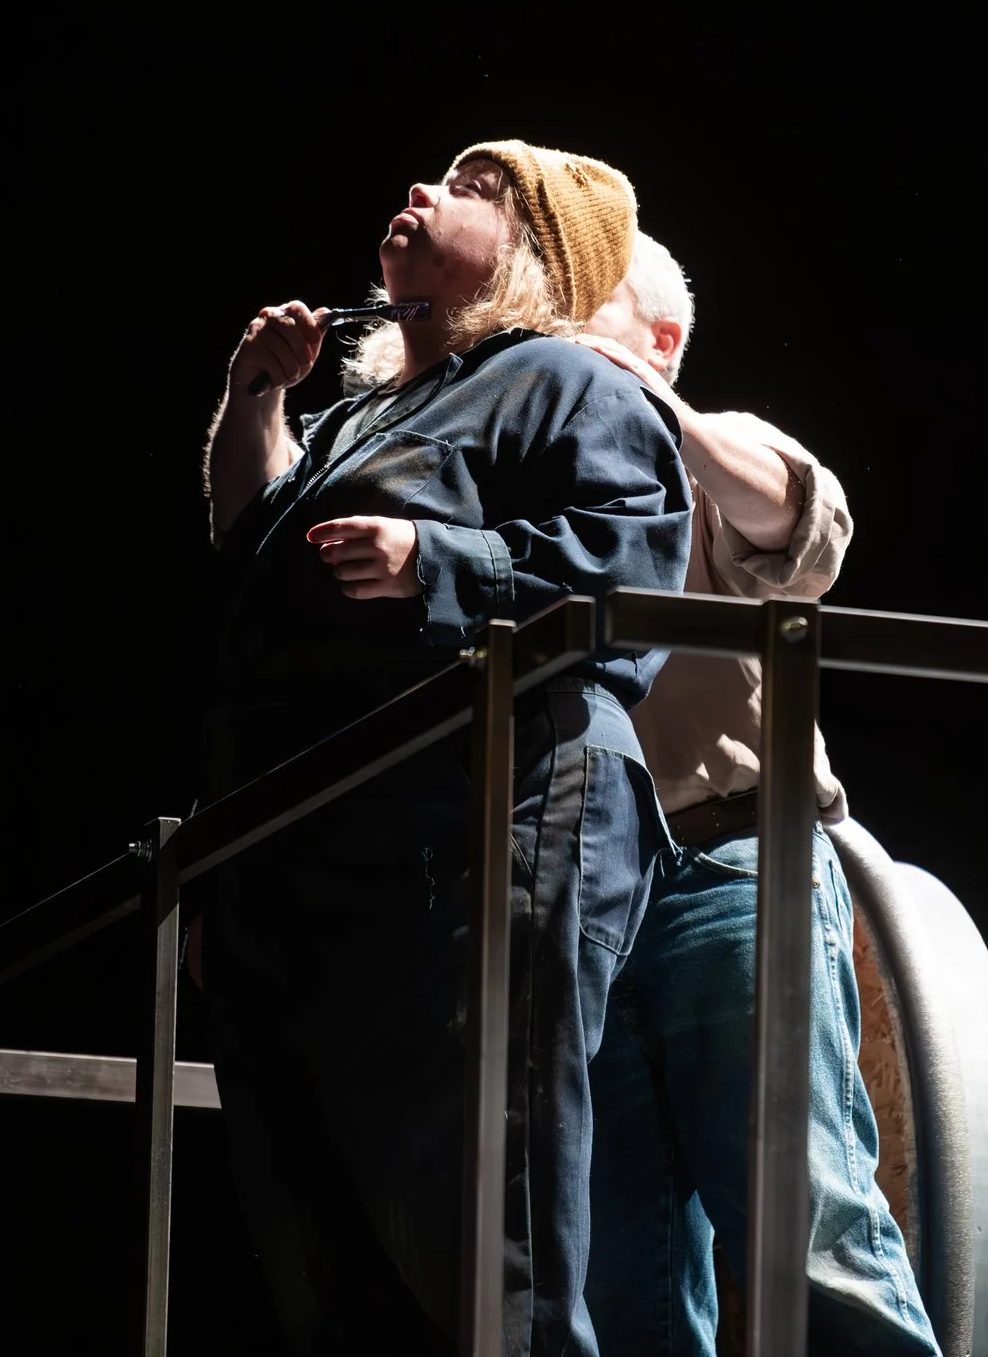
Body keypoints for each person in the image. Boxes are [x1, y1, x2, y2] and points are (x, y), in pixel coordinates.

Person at [194, 141, 692, 1355]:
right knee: (324, 1255)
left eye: (474, 189)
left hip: (480, 824)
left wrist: (441, 562)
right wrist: (254, 397)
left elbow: (634, 581)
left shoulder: (564, 380)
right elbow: (252, 549)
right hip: (315, 863)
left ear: (535, 252)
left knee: (479, 1240)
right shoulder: (357, 416)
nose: (422, 190)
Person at [573, 235, 940, 1356]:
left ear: (663, 338)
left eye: (589, 295)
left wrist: (652, 403)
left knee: (808, 1236)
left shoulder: (712, 446)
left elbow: (805, 529)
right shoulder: (551, 481)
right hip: (587, 900)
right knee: (621, 1276)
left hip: (730, 867)